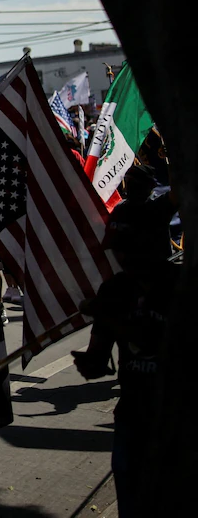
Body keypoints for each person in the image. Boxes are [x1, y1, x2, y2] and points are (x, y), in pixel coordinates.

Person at [70, 194, 178, 517]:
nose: (123, 257)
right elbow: (97, 358)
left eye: (129, 247)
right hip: (133, 416)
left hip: (177, 417)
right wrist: (89, 361)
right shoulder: (115, 289)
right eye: (119, 249)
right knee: (131, 497)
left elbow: (165, 343)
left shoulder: (181, 287)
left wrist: (113, 320)